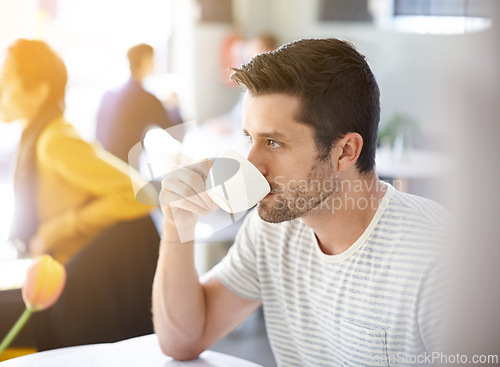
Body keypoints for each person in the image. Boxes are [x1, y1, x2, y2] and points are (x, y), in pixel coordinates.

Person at [152, 38, 448, 365]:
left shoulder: (437, 260)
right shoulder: (272, 232)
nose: (251, 163)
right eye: (250, 138)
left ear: (345, 152)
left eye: (274, 142)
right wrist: (177, 224)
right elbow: (183, 340)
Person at [0, 39, 160, 348]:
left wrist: (55, 230)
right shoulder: (34, 137)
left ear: (39, 91)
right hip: (61, 277)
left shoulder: (53, 141)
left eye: (6, 83)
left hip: (79, 288)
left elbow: (139, 193)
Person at [95, 43, 182, 163]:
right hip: (128, 173)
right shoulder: (146, 99)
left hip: (106, 167)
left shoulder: (109, 94)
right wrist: (174, 104)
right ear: (146, 60)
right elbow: (179, 134)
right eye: (154, 59)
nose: (157, 64)